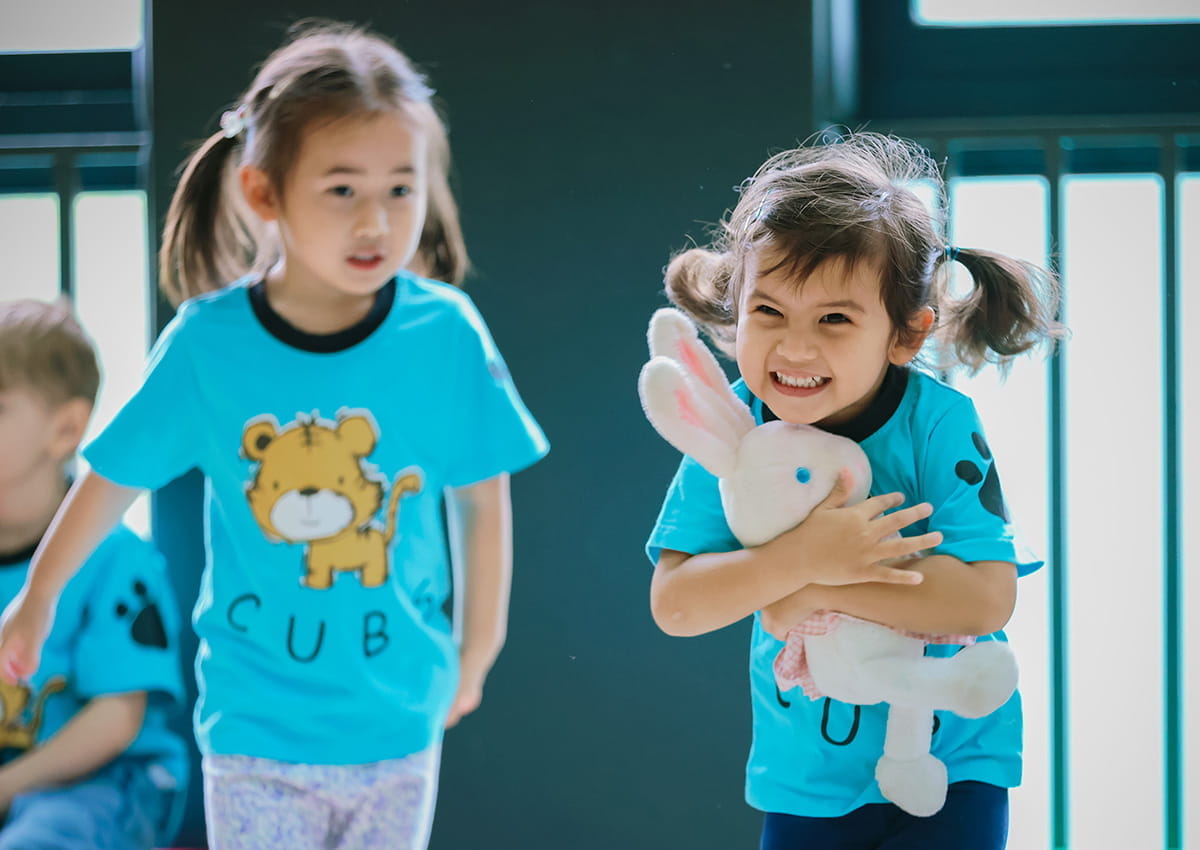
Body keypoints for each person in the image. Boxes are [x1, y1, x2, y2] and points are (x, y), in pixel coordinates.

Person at [0, 22, 548, 850]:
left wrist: (479, 644)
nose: (378, 221)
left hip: (399, 716)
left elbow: (481, 499)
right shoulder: (207, 345)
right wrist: (39, 596)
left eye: (401, 189)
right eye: (342, 190)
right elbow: (112, 480)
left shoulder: (446, 334)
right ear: (265, 193)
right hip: (255, 727)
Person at [645, 131, 1060, 850]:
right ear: (736, 313)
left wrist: (815, 589)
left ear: (905, 334)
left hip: (952, 759)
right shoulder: (734, 428)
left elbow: (986, 596)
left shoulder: (939, 424)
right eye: (769, 312)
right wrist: (804, 556)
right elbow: (676, 605)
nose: (796, 347)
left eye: (834, 319)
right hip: (807, 775)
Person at [0, 299, 188, 849]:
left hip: (108, 781)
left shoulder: (115, 560)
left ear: (66, 429)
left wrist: (7, 786)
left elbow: (117, 720)